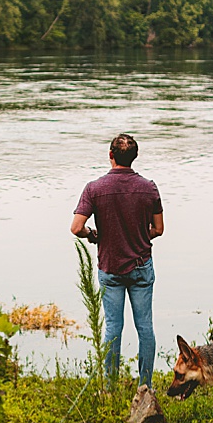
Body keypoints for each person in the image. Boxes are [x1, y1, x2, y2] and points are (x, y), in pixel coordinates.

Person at [70, 133, 165, 389]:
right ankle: (145, 386)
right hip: (141, 267)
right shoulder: (149, 187)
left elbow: (77, 227)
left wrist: (93, 235)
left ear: (110, 155)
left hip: (110, 267)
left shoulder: (94, 188)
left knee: (113, 328)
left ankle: (109, 387)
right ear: (134, 158)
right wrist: (138, 233)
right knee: (145, 327)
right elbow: (159, 229)